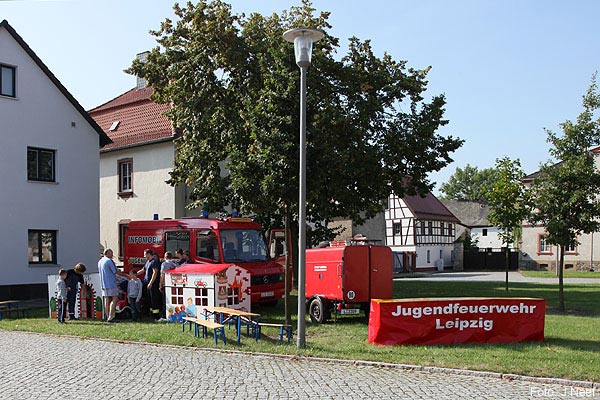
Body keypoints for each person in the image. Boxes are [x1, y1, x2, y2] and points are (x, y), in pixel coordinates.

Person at [98, 249, 128, 323]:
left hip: (103, 283)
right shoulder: (109, 261)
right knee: (115, 298)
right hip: (111, 283)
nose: (112, 255)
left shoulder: (100, 261)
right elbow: (116, 272)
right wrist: (126, 276)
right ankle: (111, 317)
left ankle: (107, 316)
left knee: (106, 299)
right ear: (108, 253)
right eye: (111, 253)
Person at [142, 249, 163, 321]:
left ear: (149, 254)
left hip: (153, 284)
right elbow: (143, 270)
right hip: (147, 282)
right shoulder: (148, 262)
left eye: (145, 254)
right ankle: (151, 314)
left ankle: (156, 316)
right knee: (149, 299)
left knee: (154, 299)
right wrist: (133, 275)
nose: (144, 256)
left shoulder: (154, 262)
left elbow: (155, 272)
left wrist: (150, 283)